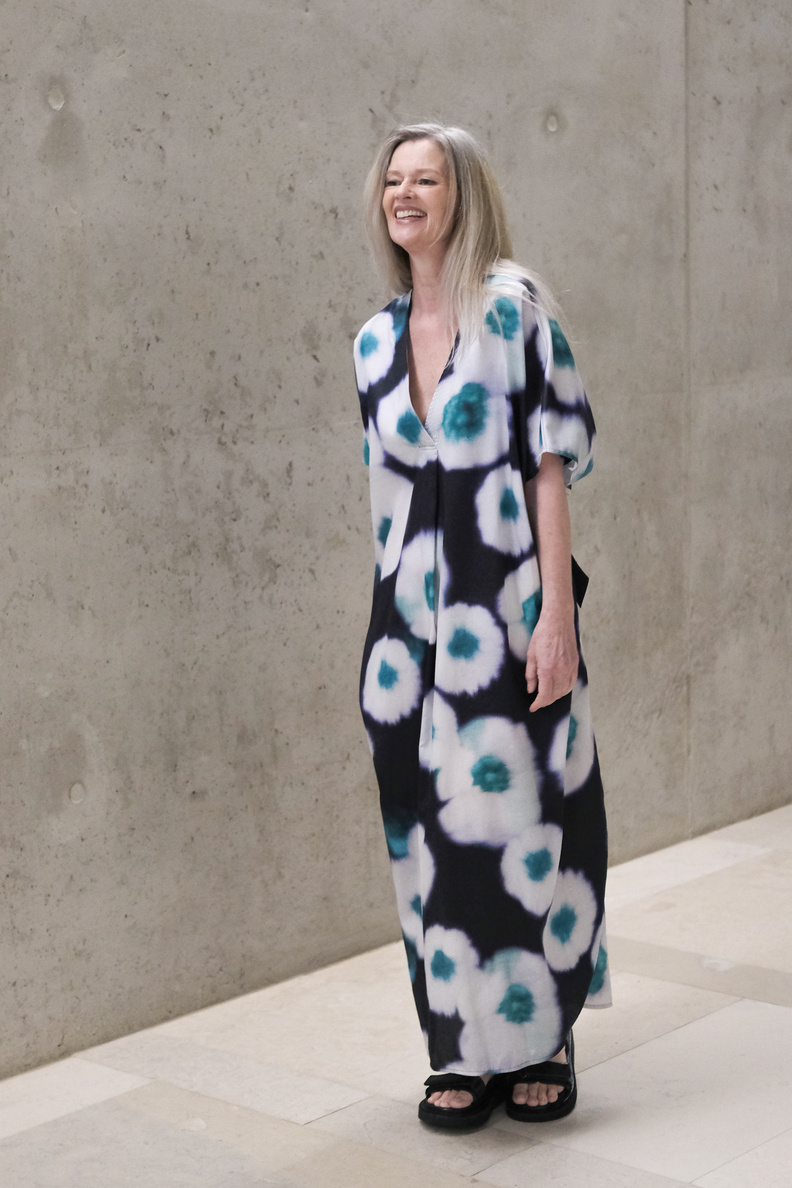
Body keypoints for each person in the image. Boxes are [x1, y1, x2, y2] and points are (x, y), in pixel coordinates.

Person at [353, 123, 610, 1130]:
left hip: (502, 608)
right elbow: (386, 498)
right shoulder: (373, 342)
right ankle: (457, 1043)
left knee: (523, 819)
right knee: (426, 829)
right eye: (394, 179)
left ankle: (540, 1037)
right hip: (404, 632)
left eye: (428, 177)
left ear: (464, 195)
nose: (406, 193)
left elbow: (549, 467)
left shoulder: (512, 310)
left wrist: (555, 616)